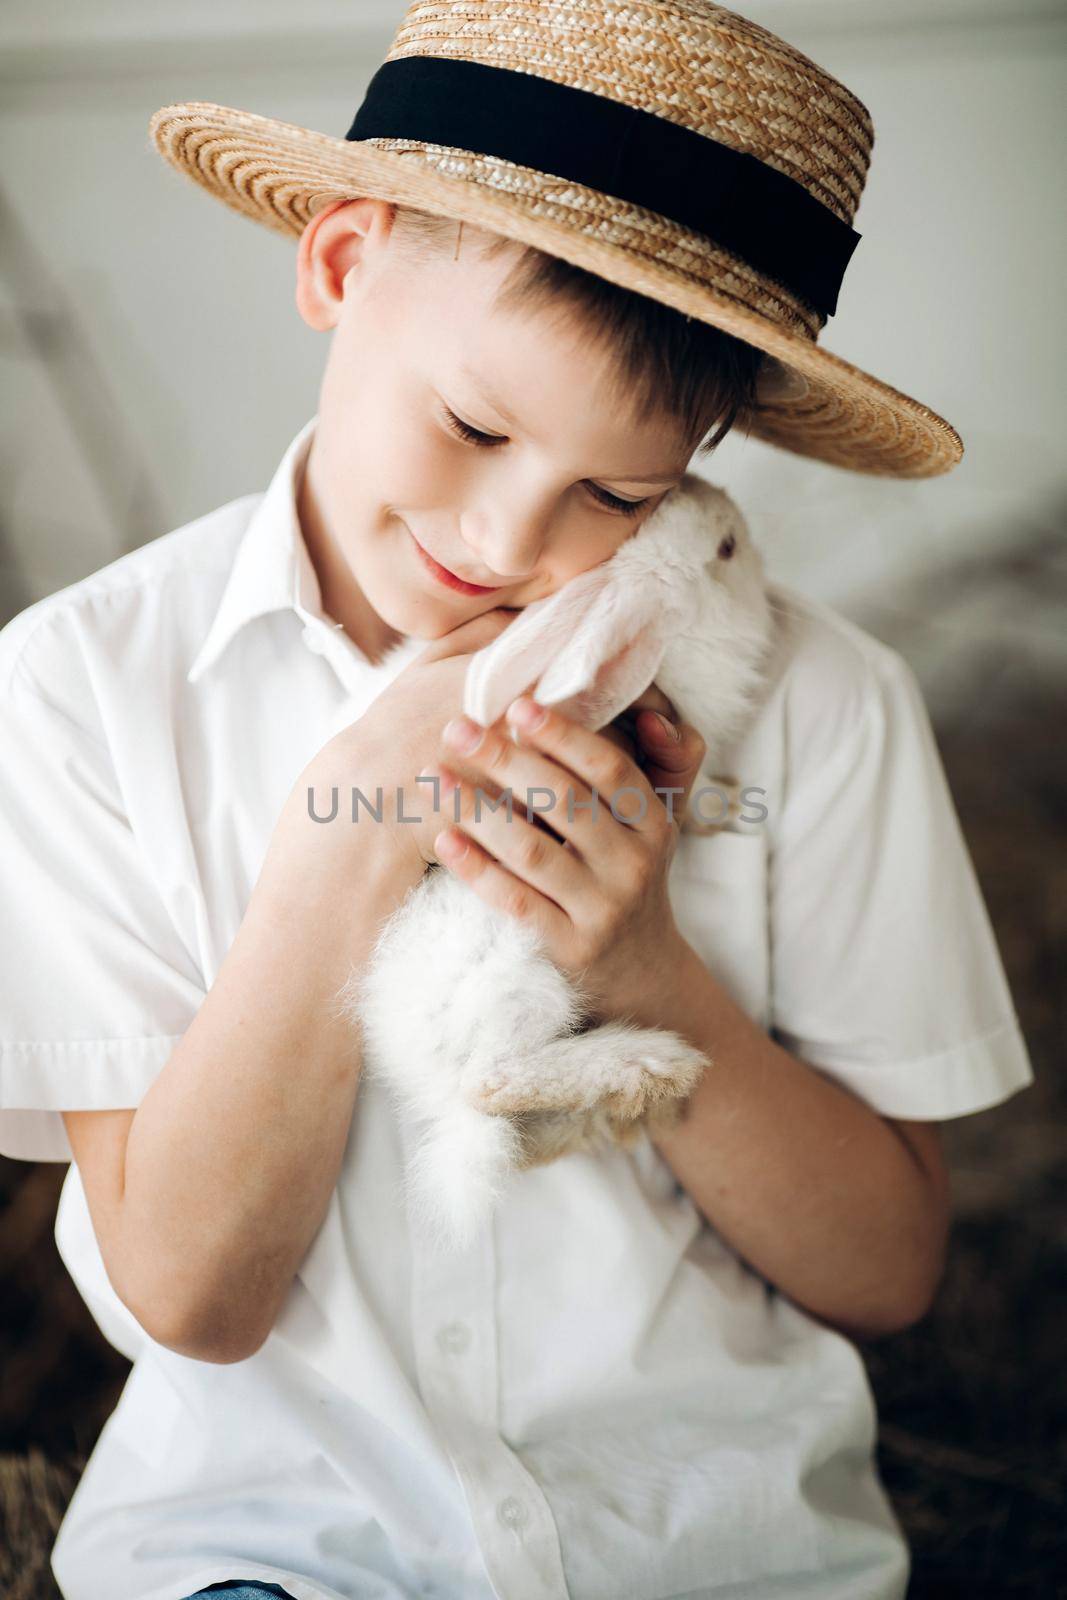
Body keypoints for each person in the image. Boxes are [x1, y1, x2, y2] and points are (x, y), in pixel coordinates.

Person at [0, 6, 1034, 1599]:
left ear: (708, 448)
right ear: (341, 265)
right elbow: (194, 1297)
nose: (506, 534)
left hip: (717, 1559)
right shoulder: (81, 689)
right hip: (270, 1558)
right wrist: (344, 837)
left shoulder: (823, 707)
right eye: (474, 424)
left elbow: (887, 1271)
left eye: (619, 495)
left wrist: (650, 985)